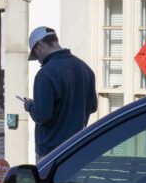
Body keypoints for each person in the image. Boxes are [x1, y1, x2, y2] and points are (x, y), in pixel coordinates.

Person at [23, 26, 97, 159]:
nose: (38, 59)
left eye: (35, 53)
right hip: (77, 148)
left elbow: (41, 115)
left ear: (39, 45)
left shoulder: (45, 74)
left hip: (51, 152)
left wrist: (30, 106)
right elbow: (92, 107)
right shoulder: (85, 68)